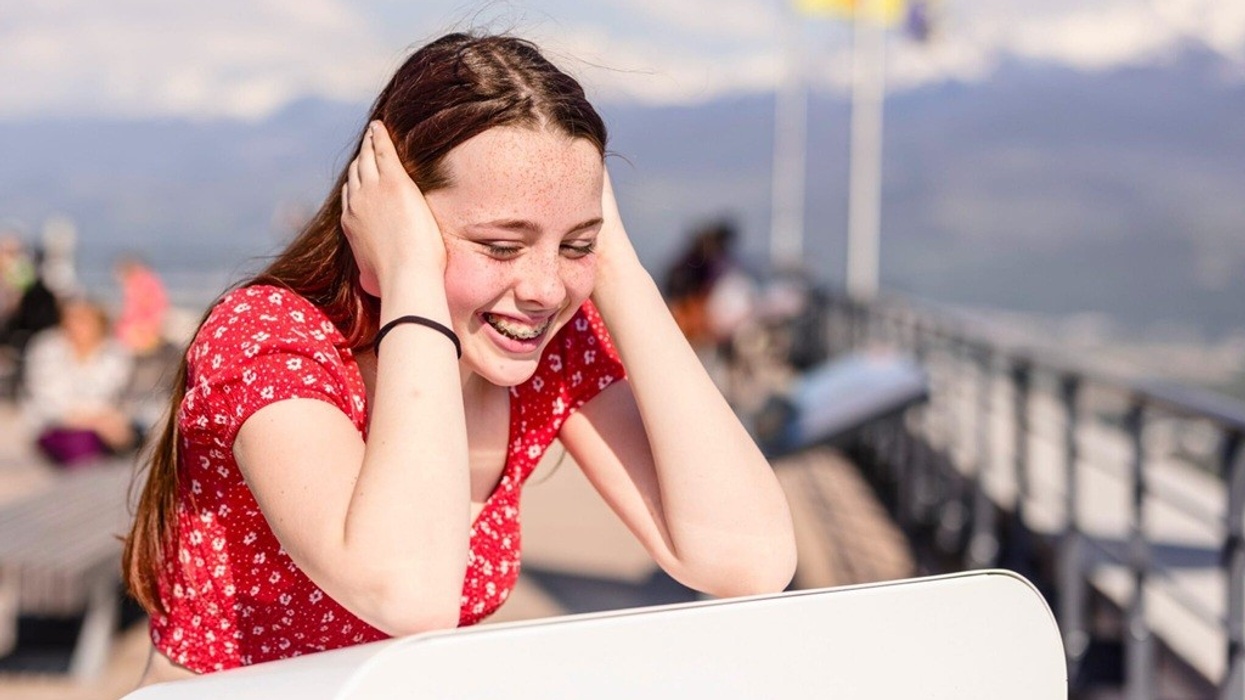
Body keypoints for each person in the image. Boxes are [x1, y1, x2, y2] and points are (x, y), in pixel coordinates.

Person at [123, 32, 796, 684]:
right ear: (391, 218)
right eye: (502, 246)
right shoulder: (271, 339)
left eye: (572, 245)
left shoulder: (544, 348)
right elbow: (406, 590)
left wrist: (615, 265)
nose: (543, 290)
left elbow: (749, 560)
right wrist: (409, 274)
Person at [22, 296, 137, 465]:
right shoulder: (47, 348)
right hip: (55, 425)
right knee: (82, 446)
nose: (76, 326)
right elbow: (49, 403)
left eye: (84, 320)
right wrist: (96, 421)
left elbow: (120, 396)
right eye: (72, 319)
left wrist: (112, 421)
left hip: (106, 424)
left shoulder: (115, 352)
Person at [113, 255, 170, 356]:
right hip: (144, 326)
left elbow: (145, 307)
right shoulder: (144, 281)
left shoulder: (140, 283)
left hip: (144, 326)